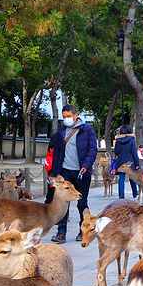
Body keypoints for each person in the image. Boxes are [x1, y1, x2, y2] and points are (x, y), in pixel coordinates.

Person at [49, 104, 98, 243]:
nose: (66, 119)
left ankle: (82, 231)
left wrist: (86, 165)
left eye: (69, 116)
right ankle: (61, 232)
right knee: (63, 202)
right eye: (64, 117)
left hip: (82, 172)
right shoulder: (61, 132)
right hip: (66, 171)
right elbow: (57, 153)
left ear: (76, 115)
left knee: (81, 202)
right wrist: (56, 173)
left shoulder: (87, 131)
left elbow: (92, 150)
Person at [114, 124, 140, 200]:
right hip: (130, 161)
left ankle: (121, 195)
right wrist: (137, 163)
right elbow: (134, 152)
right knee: (131, 177)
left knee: (121, 178)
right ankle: (135, 192)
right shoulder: (131, 140)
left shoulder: (118, 141)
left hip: (120, 161)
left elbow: (116, 152)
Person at [43, 133, 57, 204]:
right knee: (50, 196)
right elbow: (48, 169)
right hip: (52, 179)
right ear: (51, 149)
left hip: (57, 178)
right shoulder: (48, 158)